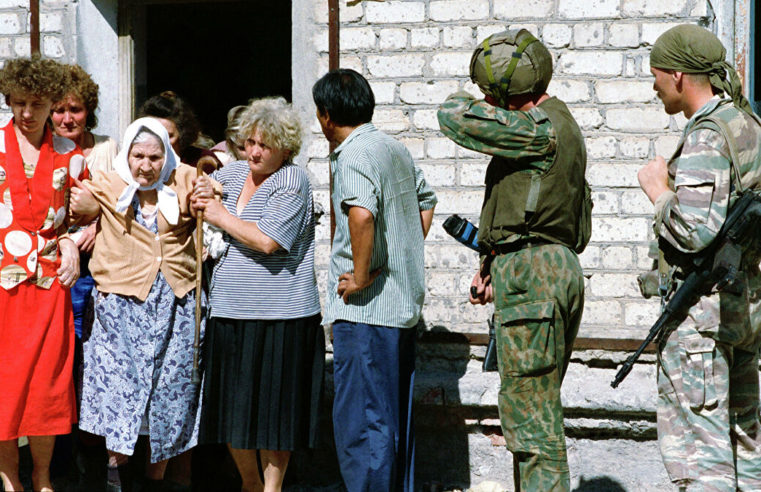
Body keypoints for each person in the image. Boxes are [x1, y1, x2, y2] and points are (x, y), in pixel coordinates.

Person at [438, 29, 591, 491]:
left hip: (533, 276)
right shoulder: (560, 125)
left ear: (507, 93)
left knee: (531, 428)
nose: (488, 103)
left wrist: (480, 100)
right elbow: (532, 206)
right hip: (545, 270)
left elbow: (452, 115)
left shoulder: (538, 128)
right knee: (533, 412)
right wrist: (491, 266)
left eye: (492, 94)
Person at [637, 24, 761, 491]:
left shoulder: (709, 134)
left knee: (702, 458)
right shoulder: (748, 124)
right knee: (746, 445)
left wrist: (659, 193)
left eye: (655, 75)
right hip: (742, 312)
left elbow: (694, 231)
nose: (653, 86)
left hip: (702, 324)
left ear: (678, 76)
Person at [70, 117, 213, 492]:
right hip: (120, 307)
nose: (146, 165)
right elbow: (72, 206)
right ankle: (116, 477)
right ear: (127, 155)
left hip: (176, 305)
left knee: (169, 395)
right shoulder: (106, 183)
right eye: (138, 156)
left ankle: (156, 481)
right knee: (120, 395)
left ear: (166, 154)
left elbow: (214, 187)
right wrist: (82, 218)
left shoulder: (183, 179)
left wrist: (211, 191)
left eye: (154, 156)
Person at [312, 68, 437, 491]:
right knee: (392, 421)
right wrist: (401, 248)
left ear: (326, 115)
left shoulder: (354, 154)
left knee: (363, 425)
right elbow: (425, 202)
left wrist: (362, 276)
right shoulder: (393, 147)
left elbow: (361, 214)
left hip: (367, 312)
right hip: (399, 308)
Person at [192, 96, 324, 492]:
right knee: (234, 408)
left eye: (264, 145)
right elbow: (209, 181)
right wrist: (204, 187)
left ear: (285, 147)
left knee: (275, 415)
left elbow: (268, 241)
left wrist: (220, 216)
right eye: (249, 142)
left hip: (281, 316)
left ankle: (272, 488)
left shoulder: (291, 180)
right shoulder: (233, 174)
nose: (254, 151)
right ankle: (249, 484)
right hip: (230, 310)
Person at [0, 55, 83, 492]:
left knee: (48, 385)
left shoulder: (72, 155)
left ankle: (44, 477)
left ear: (53, 101)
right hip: (2, 286)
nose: (27, 113)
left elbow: (95, 214)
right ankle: (10, 478)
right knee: (6, 383)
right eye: (18, 103)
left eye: (36, 103)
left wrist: (72, 240)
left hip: (50, 284)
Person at [50, 62, 120, 492]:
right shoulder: (45, 152)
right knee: (60, 366)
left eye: (74, 109)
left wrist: (97, 225)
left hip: (101, 276)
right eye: (58, 110)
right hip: (58, 274)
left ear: (87, 111)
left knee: (93, 371)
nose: (66, 118)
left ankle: (96, 468)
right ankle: (59, 466)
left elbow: (125, 204)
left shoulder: (107, 150)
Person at [139, 90, 222, 174]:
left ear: (183, 135)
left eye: (168, 136)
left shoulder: (203, 161)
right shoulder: (135, 163)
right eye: (152, 134)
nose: (159, 141)